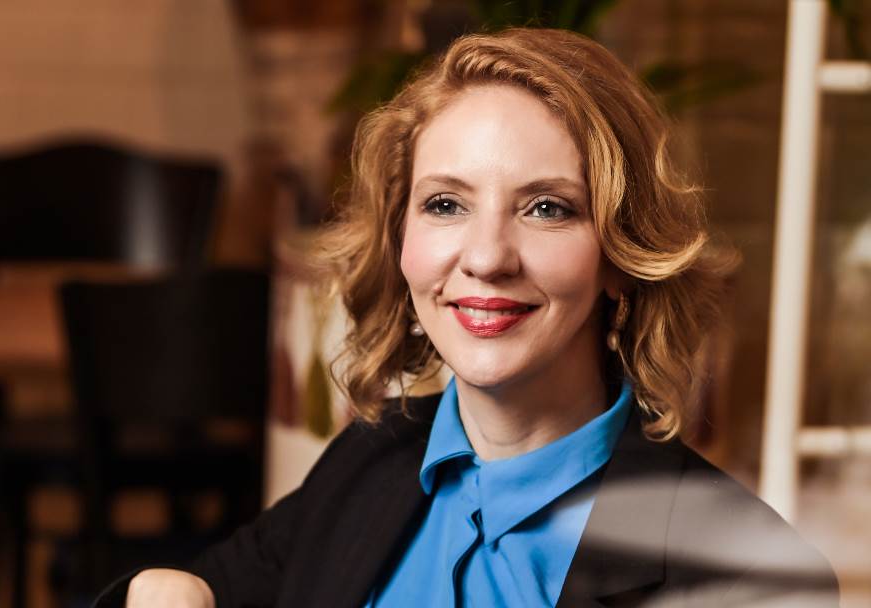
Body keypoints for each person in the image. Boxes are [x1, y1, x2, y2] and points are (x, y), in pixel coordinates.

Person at [99, 27, 838, 607]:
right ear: (401, 236)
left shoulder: (751, 575)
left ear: (621, 254)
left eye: (546, 207)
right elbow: (207, 589)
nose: (486, 257)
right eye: (446, 203)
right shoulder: (369, 461)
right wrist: (167, 587)